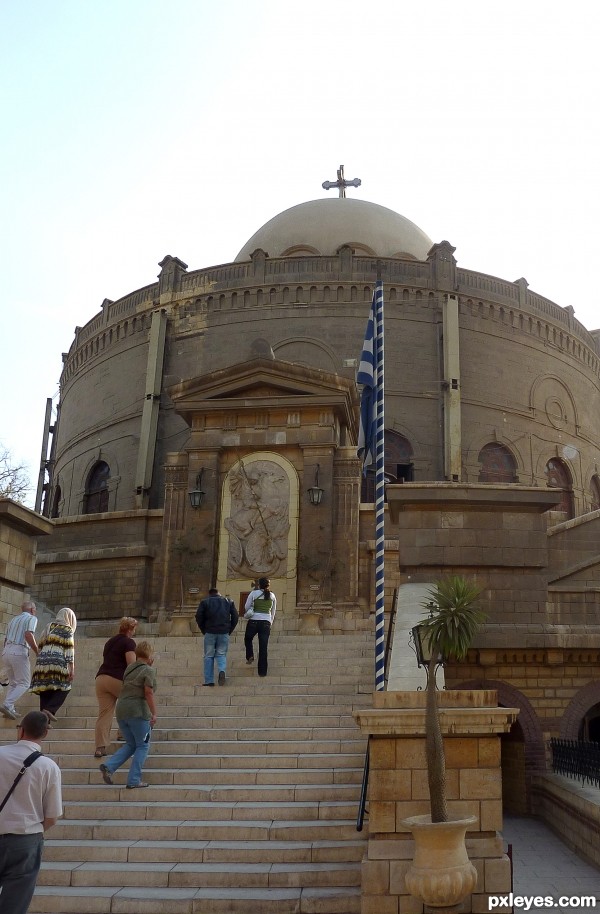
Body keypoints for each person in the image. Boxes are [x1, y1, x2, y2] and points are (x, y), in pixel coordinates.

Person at [0, 710, 62, 914]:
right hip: (26, 840)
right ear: (45, 734)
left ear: (21, 730)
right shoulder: (49, 767)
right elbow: (52, 816)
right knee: (15, 904)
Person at [99, 640, 157, 789]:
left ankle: (109, 766)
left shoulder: (129, 669)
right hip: (138, 711)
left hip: (122, 711)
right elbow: (148, 692)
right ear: (150, 656)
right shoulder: (148, 670)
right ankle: (134, 780)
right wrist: (154, 713)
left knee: (131, 744)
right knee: (143, 745)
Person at [93, 616, 138, 758]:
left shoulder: (110, 642)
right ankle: (123, 733)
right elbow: (131, 665)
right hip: (117, 678)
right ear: (130, 629)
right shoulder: (129, 642)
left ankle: (100, 747)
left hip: (101, 678)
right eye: (134, 628)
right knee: (131, 702)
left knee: (104, 713)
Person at [29, 607, 77, 722]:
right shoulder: (68, 630)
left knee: (45, 689)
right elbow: (69, 650)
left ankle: (44, 722)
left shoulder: (49, 626)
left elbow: (40, 644)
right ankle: (50, 710)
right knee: (65, 686)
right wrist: (72, 669)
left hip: (42, 661)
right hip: (58, 660)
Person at [0, 601, 39, 721]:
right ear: (32, 610)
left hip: (6, 651)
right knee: (25, 683)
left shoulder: (13, 620)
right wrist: (37, 651)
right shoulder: (32, 618)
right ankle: (7, 704)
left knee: (13, 683)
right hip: (19, 650)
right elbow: (28, 634)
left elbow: (6, 639)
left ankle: (10, 708)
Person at [195, 588, 238, 686]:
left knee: (208, 656)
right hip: (224, 632)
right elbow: (235, 617)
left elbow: (198, 616)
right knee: (221, 654)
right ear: (219, 593)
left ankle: (209, 680)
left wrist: (204, 630)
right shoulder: (229, 601)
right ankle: (221, 670)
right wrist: (229, 630)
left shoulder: (205, 602)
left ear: (209, 594)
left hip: (210, 632)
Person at [243, 577, 277, 678]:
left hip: (253, 621)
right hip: (266, 622)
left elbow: (246, 607)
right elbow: (273, 612)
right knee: (263, 647)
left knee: (248, 638)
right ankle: (262, 672)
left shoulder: (254, 593)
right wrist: (270, 622)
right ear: (268, 585)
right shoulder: (272, 595)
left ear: (259, 585)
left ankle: (250, 655)